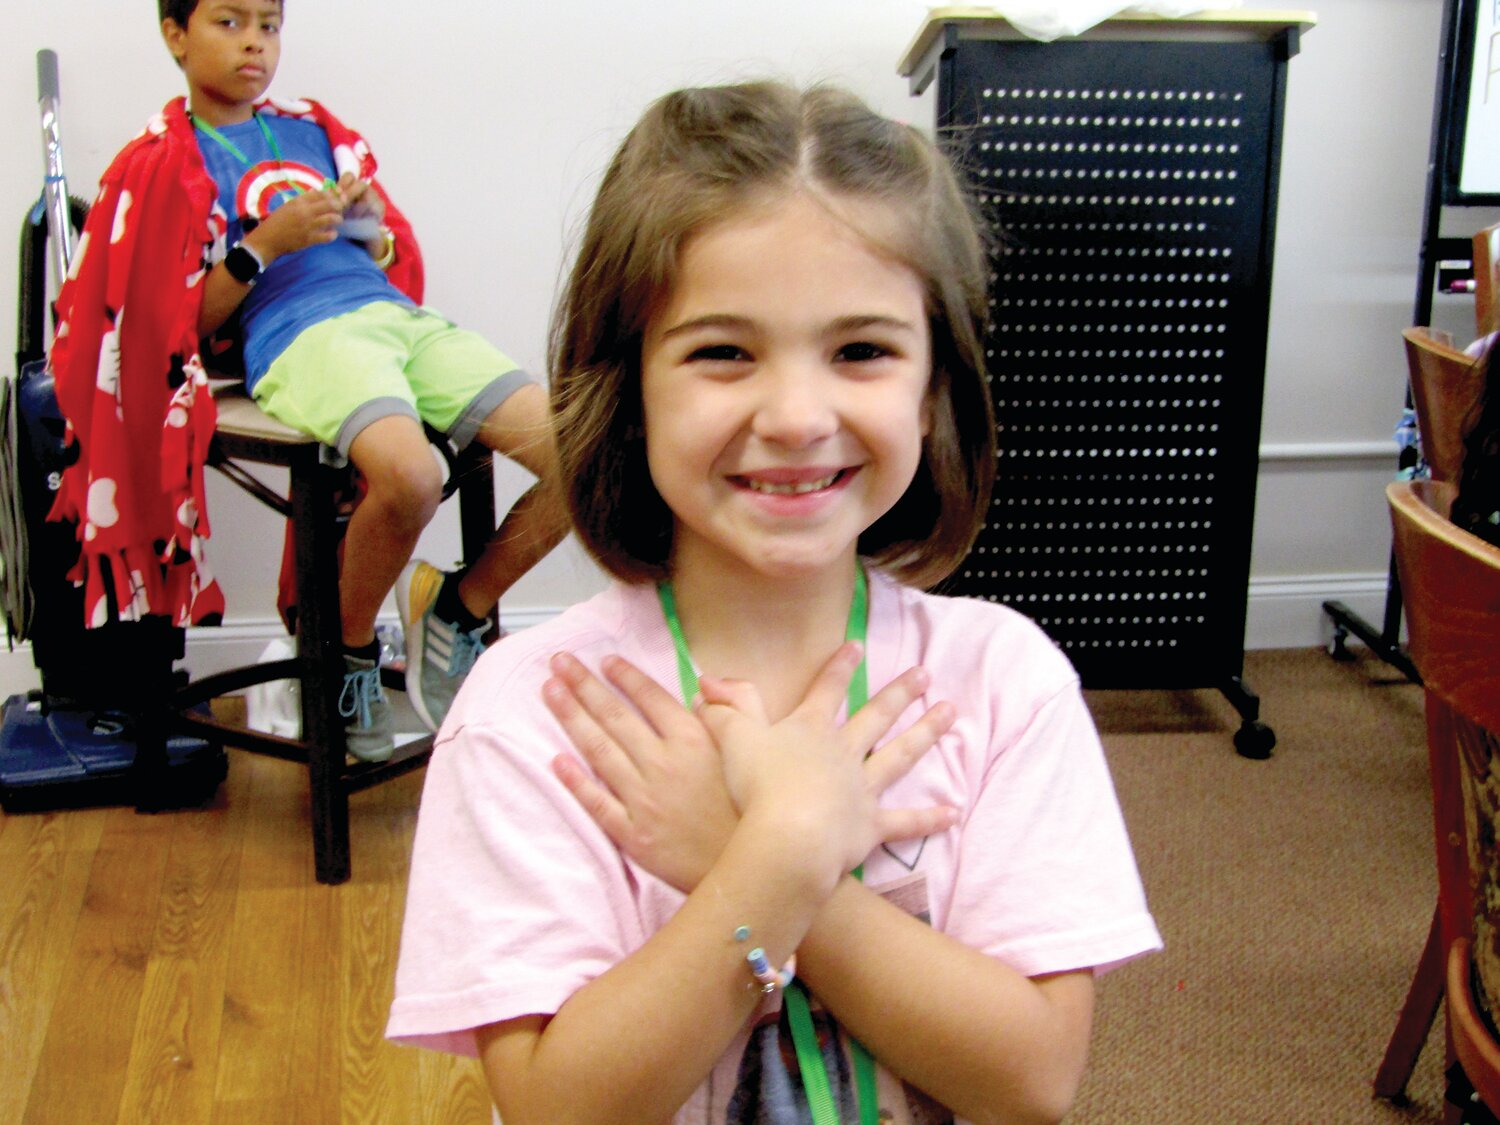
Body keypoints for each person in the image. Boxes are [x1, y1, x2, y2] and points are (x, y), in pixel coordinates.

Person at [387, 81, 1161, 1123]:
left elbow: (1031, 1079)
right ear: (628, 383)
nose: (797, 416)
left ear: (934, 387)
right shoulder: (537, 714)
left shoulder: (1002, 679)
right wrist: (788, 849)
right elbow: (561, 1111)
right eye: (722, 352)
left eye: (861, 351)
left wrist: (750, 854)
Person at [47, 0, 566, 763]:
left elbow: (391, 255)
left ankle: (456, 604)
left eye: (269, 24)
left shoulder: (314, 130)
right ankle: (351, 659)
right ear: (174, 35)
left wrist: (370, 227)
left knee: (587, 457)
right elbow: (168, 324)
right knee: (411, 477)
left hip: (391, 317)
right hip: (301, 337)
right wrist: (260, 245)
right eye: (229, 22)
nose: (254, 43)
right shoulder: (161, 159)